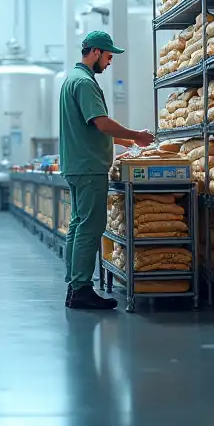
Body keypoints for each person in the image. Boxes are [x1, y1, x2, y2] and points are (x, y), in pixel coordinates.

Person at [59, 30, 155, 309]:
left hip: (77, 165)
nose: (110, 62)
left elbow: (92, 127)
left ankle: (74, 285)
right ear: (96, 53)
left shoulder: (72, 80)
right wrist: (136, 134)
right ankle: (81, 290)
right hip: (88, 167)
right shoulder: (85, 83)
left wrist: (128, 141)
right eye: (109, 56)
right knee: (91, 227)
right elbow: (101, 122)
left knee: (78, 225)